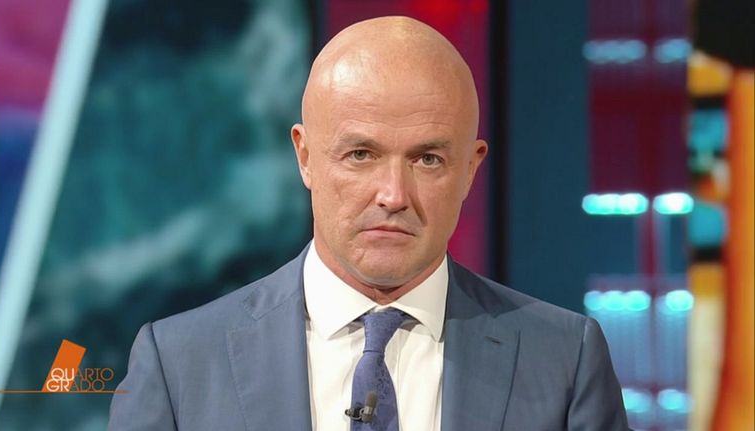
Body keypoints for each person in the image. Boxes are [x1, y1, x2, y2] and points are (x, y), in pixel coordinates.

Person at [108, 16, 629, 431]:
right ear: (305, 157)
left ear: (470, 169)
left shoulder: (564, 359)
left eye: (428, 159)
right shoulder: (179, 363)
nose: (393, 196)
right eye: (361, 154)